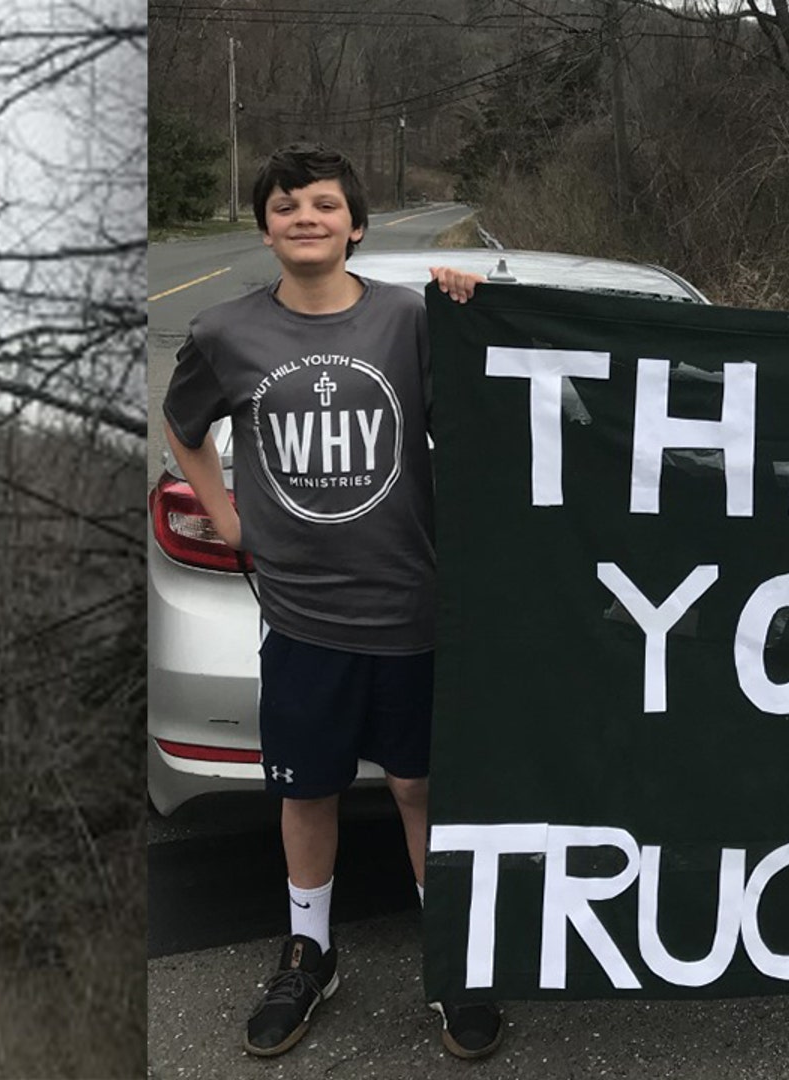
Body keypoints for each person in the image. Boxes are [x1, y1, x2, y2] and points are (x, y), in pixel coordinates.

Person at [162, 143, 493, 1060]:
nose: (304, 217)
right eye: (284, 206)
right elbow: (182, 427)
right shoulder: (226, 333)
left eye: (322, 204)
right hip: (303, 618)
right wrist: (229, 521)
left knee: (421, 785)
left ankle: (451, 952)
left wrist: (476, 307)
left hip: (411, 611)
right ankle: (310, 949)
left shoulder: (412, 322)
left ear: (355, 224)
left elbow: (497, 412)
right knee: (306, 790)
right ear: (264, 226)